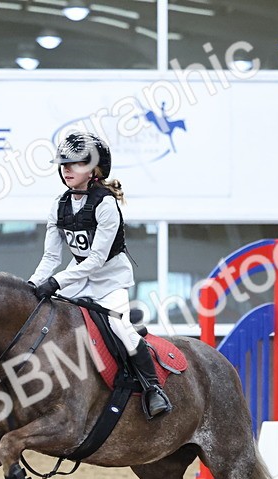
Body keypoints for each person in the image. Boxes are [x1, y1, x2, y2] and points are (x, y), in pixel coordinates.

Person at [27, 132, 172, 419]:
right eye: (63, 165)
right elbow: (52, 257)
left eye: (76, 164)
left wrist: (56, 282)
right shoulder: (59, 205)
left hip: (110, 281)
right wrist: (33, 283)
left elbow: (96, 260)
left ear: (95, 169)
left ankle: (153, 388)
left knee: (122, 330)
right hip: (78, 278)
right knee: (40, 319)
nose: (67, 169)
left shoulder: (106, 205)